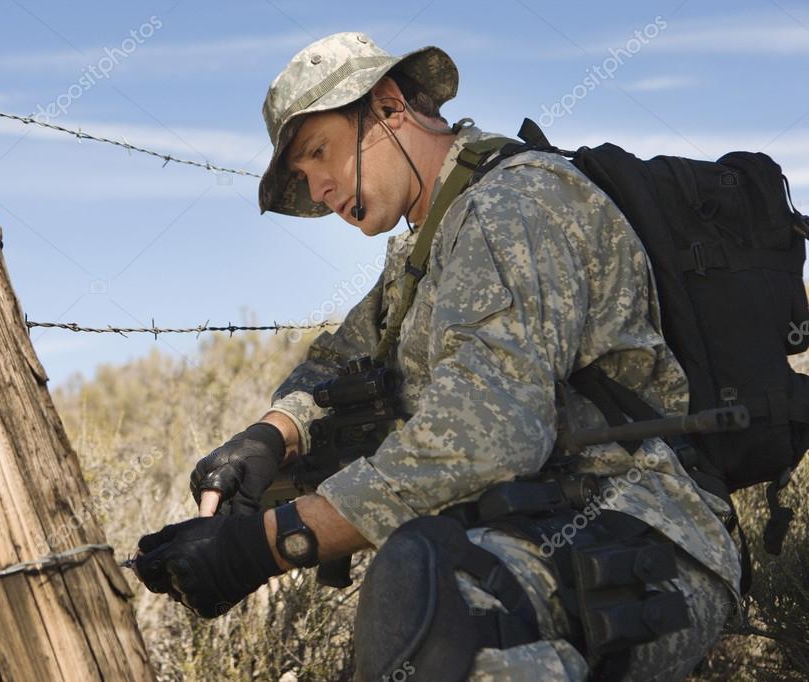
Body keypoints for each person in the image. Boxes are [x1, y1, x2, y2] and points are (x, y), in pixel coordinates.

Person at [133, 32, 741, 681]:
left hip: (640, 532)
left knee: (437, 612)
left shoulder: (512, 206)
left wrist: (270, 543)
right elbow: (341, 361)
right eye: (304, 178)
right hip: (525, 531)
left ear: (389, 106)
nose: (320, 189)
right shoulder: (423, 249)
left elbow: (485, 439)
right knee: (417, 598)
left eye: (319, 152)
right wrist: (269, 436)